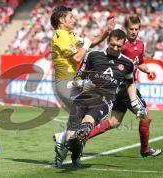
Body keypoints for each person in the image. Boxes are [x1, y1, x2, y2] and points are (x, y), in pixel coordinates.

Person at [66, 29, 145, 167]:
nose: (115, 48)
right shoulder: (92, 56)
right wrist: (81, 83)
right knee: (70, 138)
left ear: (123, 45)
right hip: (83, 97)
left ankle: (81, 135)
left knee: (88, 120)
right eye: (113, 44)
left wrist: (135, 102)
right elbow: (78, 77)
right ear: (108, 42)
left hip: (104, 99)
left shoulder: (128, 64)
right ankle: (74, 149)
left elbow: (130, 84)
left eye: (119, 46)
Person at [86, 15, 162, 157]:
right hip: (125, 87)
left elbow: (139, 62)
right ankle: (145, 150)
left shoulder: (140, 44)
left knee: (114, 121)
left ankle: (82, 137)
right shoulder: (121, 44)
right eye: (131, 29)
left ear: (139, 29)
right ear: (126, 28)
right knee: (146, 117)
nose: (133, 31)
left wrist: (148, 71)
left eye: (136, 29)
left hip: (125, 87)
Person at [50, 6, 114, 167]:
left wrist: (106, 31)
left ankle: (65, 149)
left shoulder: (70, 35)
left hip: (74, 83)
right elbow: (78, 57)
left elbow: (92, 42)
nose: (74, 19)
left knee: (81, 122)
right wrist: (86, 43)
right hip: (66, 84)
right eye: (70, 17)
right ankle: (63, 138)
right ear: (61, 20)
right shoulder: (60, 35)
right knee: (102, 99)